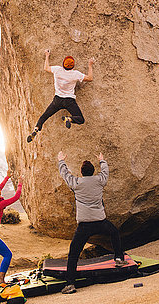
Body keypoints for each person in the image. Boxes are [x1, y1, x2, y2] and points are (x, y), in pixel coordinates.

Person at [56, 150, 126, 294]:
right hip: (100, 221)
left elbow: (65, 175)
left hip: (84, 225)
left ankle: (70, 284)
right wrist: (102, 160)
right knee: (114, 232)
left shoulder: (76, 182)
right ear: (93, 171)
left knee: (74, 253)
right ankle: (118, 258)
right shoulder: (99, 181)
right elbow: (105, 173)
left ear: (81, 173)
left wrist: (61, 160)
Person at [27, 49, 95, 143]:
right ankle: (69, 118)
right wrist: (90, 65)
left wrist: (47, 56)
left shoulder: (57, 70)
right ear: (73, 66)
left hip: (57, 100)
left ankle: (36, 129)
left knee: (44, 116)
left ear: (63, 64)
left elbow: (46, 68)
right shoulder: (75, 74)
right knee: (80, 119)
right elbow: (90, 78)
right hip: (69, 101)